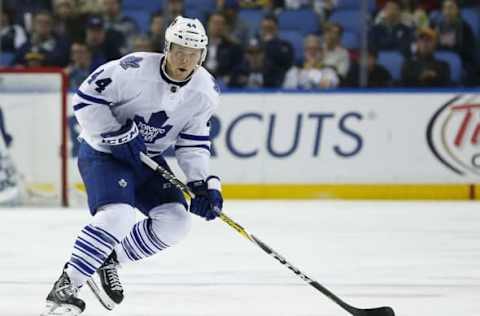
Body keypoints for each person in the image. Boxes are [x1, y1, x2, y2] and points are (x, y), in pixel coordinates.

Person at [41, 16, 223, 316]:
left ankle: (108, 260)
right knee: (118, 216)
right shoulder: (133, 69)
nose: (185, 58)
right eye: (179, 49)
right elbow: (85, 100)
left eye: (193, 53)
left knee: (176, 222)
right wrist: (114, 133)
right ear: (167, 47)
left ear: (202, 56)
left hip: (147, 160)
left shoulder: (205, 91)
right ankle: (67, 285)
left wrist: (202, 184)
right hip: (104, 152)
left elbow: (193, 143)